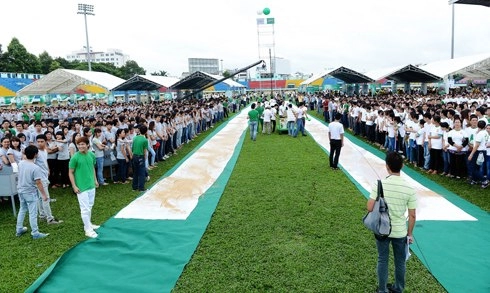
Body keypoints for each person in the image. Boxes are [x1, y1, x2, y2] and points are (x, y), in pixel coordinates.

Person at [367, 152, 417, 293]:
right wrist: (410, 234)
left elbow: (370, 207)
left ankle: (382, 290)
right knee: (400, 262)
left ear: (387, 166)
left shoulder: (379, 184)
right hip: (400, 232)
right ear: (402, 166)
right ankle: (398, 288)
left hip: (382, 229)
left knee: (382, 259)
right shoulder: (409, 188)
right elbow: (412, 215)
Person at [68, 136, 100, 238]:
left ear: (87, 145)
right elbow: (70, 172)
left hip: (91, 185)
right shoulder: (75, 157)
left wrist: (95, 180)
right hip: (81, 187)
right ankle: (87, 229)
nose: (80, 146)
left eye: (83, 144)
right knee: (85, 209)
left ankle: (88, 224)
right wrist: (74, 186)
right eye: (79, 144)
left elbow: (92, 167)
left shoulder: (91, 155)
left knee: (90, 205)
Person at [15, 145, 50, 239]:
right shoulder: (35, 168)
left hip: (20, 190)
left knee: (22, 209)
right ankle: (35, 233)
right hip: (30, 192)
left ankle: (19, 229)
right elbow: (38, 182)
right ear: (36, 154)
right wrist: (44, 195)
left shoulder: (20, 163)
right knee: (33, 213)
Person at [35, 134, 63, 225]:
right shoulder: (36, 152)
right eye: (38, 142)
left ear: (45, 141)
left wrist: (47, 169)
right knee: (45, 198)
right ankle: (50, 219)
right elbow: (32, 165)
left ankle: (42, 216)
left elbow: (45, 161)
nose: (39, 143)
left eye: (41, 141)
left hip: (44, 176)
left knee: (40, 198)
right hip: (39, 179)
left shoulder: (45, 150)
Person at [131, 125, 148, 191]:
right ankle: (141, 187)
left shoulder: (135, 138)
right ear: (146, 132)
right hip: (140, 157)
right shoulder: (145, 140)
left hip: (134, 156)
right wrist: (144, 157)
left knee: (135, 172)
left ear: (139, 130)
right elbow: (145, 151)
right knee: (141, 173)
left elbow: (133, 147)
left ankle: (134, 187)